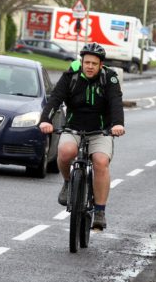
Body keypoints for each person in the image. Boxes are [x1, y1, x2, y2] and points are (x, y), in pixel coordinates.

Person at [39, 42, 125, 230]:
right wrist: (45, 120)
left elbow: (115, 102)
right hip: (74, 127)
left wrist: (118, 124)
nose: (90, 66)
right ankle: (68, 183)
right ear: (82, 61)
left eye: (94, 63)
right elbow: (56, 98)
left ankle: (100, 211)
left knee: (101, 162)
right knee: (65, 151)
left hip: (101, 130)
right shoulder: (71, 75)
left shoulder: (109, 78)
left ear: (100, 65)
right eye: (87, 62)